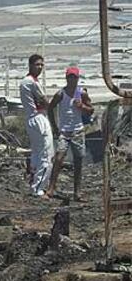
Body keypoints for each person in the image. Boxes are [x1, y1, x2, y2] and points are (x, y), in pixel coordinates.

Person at [46, 66, 94, 201]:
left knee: (78, 160)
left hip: (77, 131)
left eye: (75, 77)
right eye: (70, 77)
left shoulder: (82, 93)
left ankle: (77, 192)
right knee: (59, 158)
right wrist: (55, 127)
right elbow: (50, 109)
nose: (72, 80)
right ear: (66, 78)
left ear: (78, 79)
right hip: (64, 132)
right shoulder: (61, 94)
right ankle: (51, 189)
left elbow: (91, 110)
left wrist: (82, 107)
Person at [20, 54, 54, 197]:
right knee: (47, 154)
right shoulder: (31, 82)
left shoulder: (26, 81)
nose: (40, 68)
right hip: (38, 118)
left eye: (41, 65)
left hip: (32, 119)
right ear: (30, 65)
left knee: (37, 152)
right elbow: (45, 102)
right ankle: (38, 188)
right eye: (37, 65)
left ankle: (34, 182)